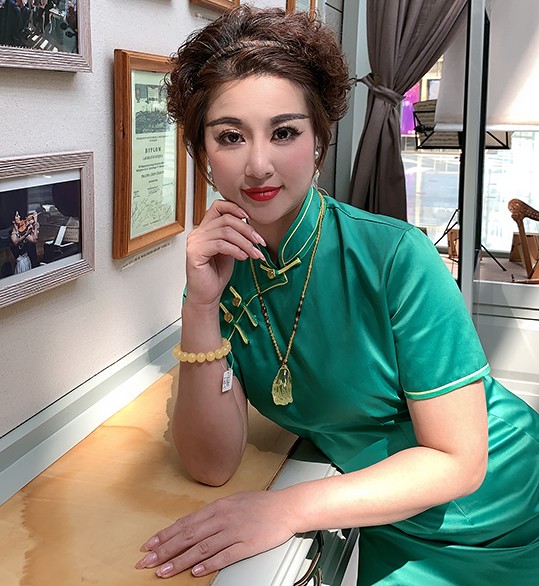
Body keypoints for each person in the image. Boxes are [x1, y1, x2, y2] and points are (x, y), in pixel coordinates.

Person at [135, 6, 539, 584]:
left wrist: (285, 509)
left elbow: (460, 460)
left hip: (501, 511)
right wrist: (198, 306)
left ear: (320, 143)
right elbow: (211, 465)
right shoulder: (220, 273)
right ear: (202, 154)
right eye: (230, 136)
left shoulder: (395, 257)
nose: (258, 164)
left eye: (284, 132)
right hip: (382, 513)